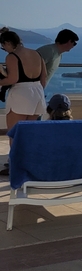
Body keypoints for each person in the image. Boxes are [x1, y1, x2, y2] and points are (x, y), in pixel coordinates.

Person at [1, 30, 47, 175]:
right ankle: (28, 164)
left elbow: (13, 79)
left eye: (3, 47)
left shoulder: (12, 57)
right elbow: (43, 78)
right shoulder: (36, 54)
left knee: (15, 133)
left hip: (21, 94)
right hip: (37, 93)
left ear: (8, 43)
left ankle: (15, 166)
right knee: (29, 133)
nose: (4, 50)